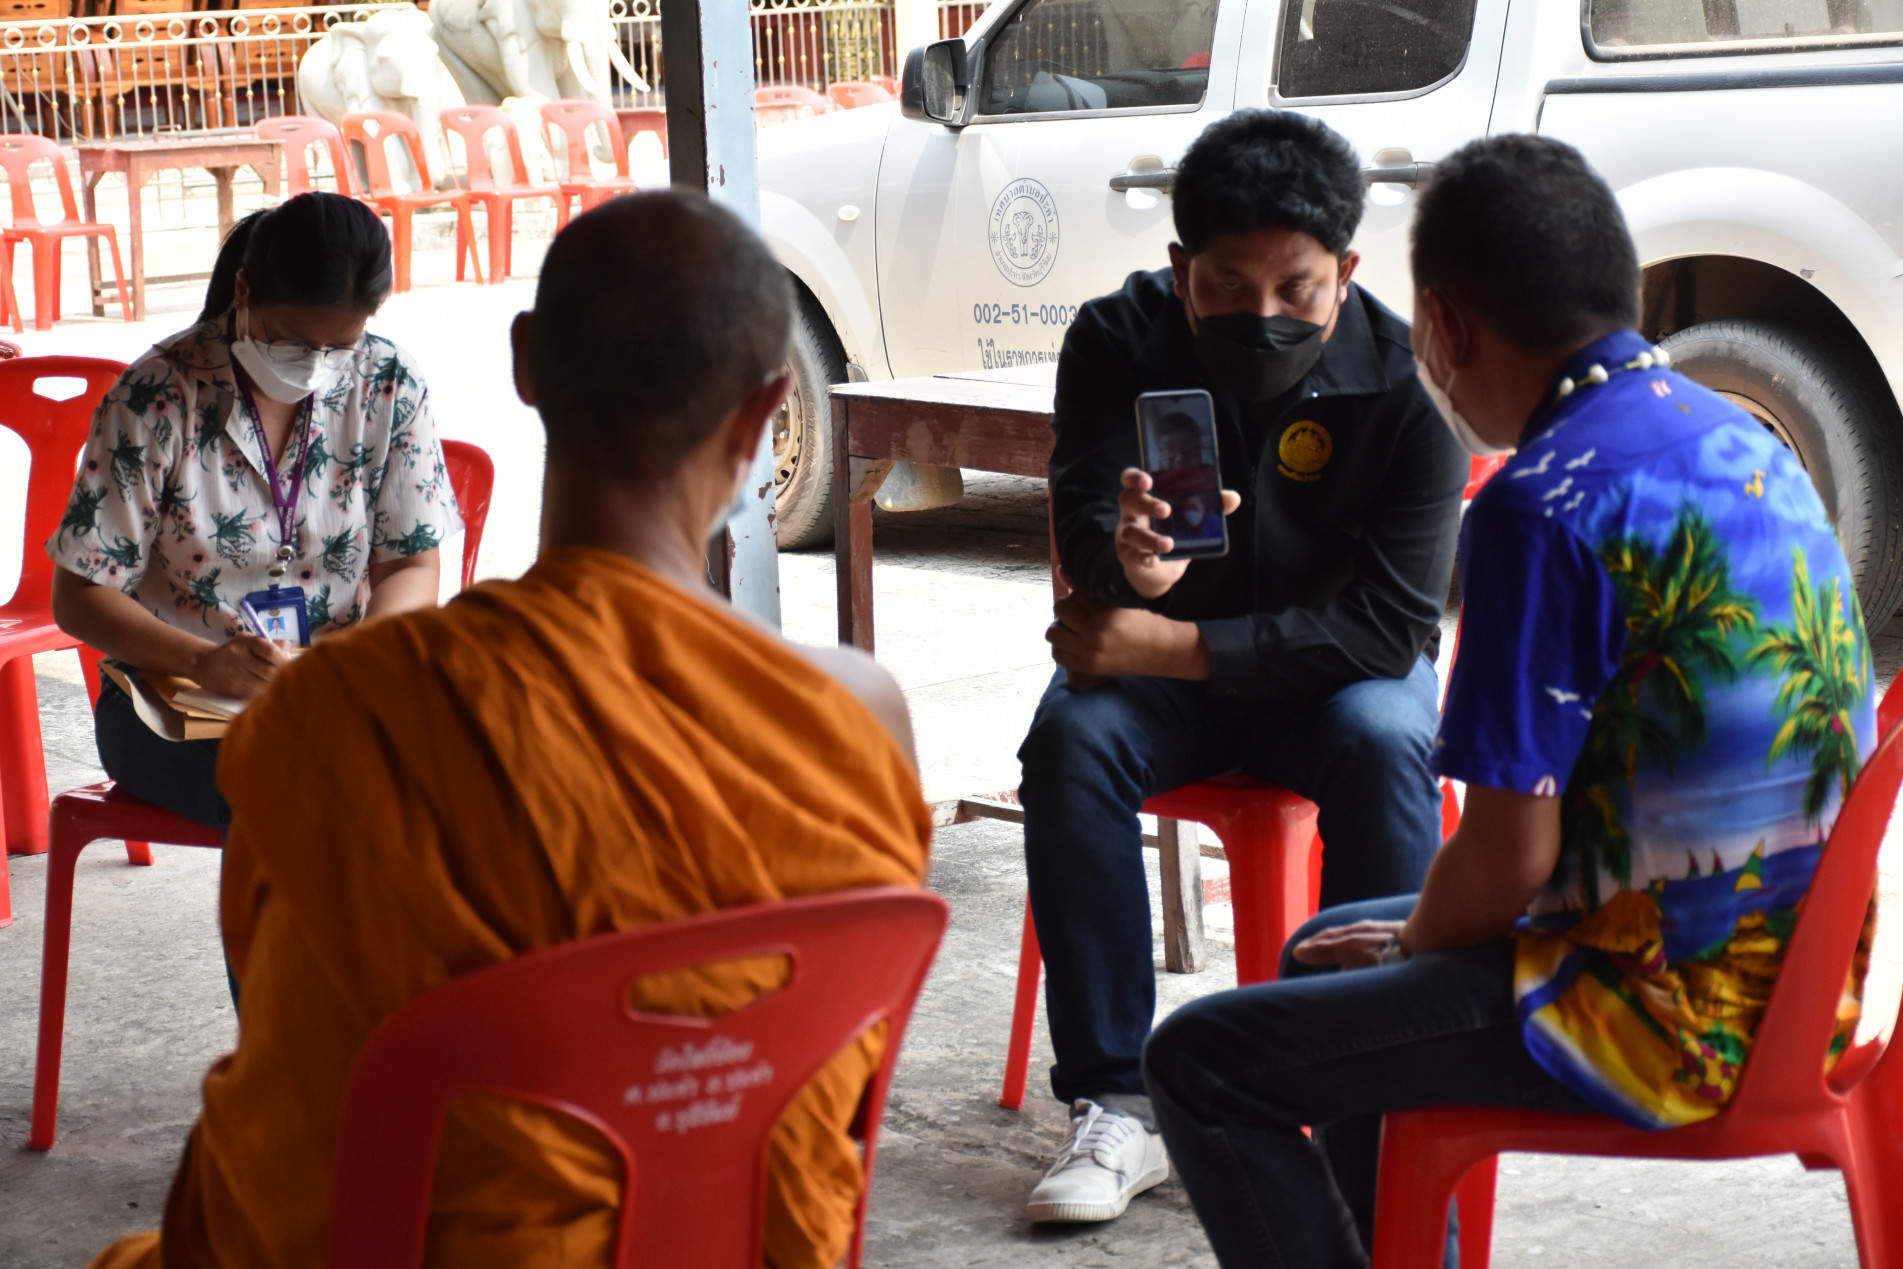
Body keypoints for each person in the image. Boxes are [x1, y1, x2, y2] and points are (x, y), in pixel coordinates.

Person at [87, 190, 931, 1269]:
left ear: (527, 364)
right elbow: (830, 1093)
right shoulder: (859, 720)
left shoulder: (338, 728)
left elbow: (276, 1148)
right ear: (768, 412)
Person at [1143, 135, 1878, 1268]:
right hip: (1804, 987)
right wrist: (1413, 938)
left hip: (1662, 1019)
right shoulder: (1740, 438)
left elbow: (1503, 861)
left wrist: (1420, 945)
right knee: (1322, 948)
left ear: (1442, 326)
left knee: (1198, 1061)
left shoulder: (1542, 504)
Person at [1018, 109, 1468, 1222]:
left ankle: (1367, 1088)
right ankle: (1119, 1101)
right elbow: (1087, 533)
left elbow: (1391, 624)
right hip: (1166, 687)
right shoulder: (1117, 340)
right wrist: (1132, 568)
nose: (1261, 316)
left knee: (1387, 736)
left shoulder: (1414, 381)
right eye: (1225, 287)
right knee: (1072, 738)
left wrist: (1171, 643)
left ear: (1346, 271)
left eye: (1297, 291)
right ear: (1180, 268)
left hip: (1334, 686)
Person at [49, 191, 460, 832]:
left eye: (339, 346)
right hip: (176, 703)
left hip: (338, 690)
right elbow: (78, 594)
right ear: (243, 291)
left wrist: (360, 662)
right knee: (307, 794)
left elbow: (411, 563)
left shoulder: (387, 381)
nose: (316, 365)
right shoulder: (157, 396)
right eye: (293, 342)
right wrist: (202, 662)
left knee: (478, 772)